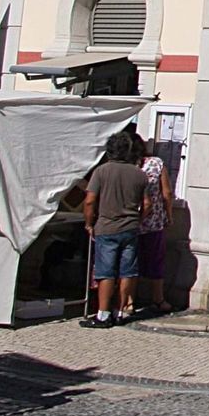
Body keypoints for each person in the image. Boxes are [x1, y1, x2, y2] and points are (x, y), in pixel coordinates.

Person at [82, 131, 152, 328]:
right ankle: (120, 311)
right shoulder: (139, 174)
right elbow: (147, 204)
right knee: (127, 271)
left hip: (107, 225)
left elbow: (89, 201)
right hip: (130, 227)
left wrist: (89, 223)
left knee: (106, 272)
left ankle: (102, 315)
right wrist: (138, 220)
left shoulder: (101, 172)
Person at [135, 133, 174, 314]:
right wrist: (169, 215)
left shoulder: (128, 166)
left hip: (131, 222)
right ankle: (158, 299)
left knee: (131, 263)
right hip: (154, 221)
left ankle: (127, 301)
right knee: (155, 261)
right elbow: (166, 193)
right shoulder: (157, 164)